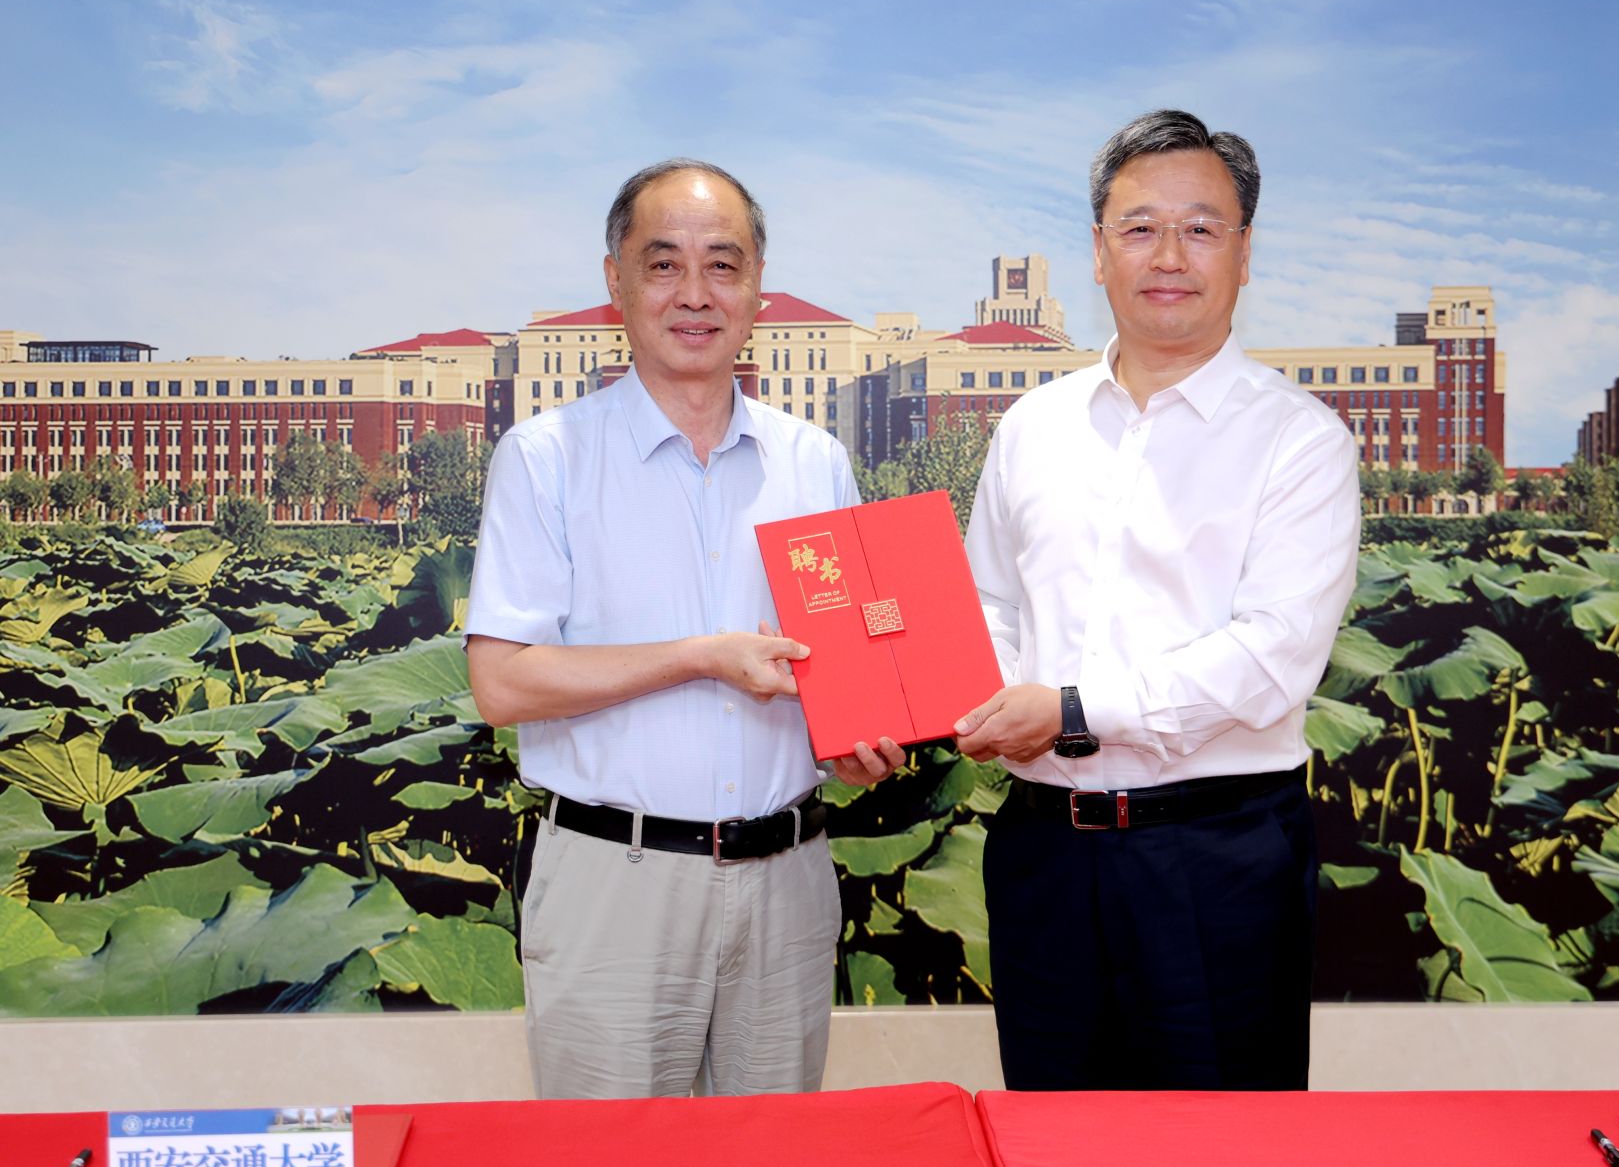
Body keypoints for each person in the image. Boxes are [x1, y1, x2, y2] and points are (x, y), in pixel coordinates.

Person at [466, 158, 904, 1099]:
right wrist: (702, 657)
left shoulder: (815, 462)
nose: (696, 294)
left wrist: (859, 743)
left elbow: (843, 675)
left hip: (786, 883)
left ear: (757, 288)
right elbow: (501, 683)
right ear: (617, 281)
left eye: (723, 265)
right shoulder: (546, 458)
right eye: (664, 264)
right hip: (614, 887)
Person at [956, 110, 1360, 1091]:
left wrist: (1072, 711)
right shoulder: (1033, 427)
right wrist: (963, 699)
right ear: (1098, 252)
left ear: (1244, 253)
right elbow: (989, 604)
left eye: (1200, 228)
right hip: (1044, 855)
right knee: (1055, 1142)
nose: (1168, 256)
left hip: (1216, 860)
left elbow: (1271, 656)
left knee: (1220, 1158)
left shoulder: (1300, 440)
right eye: (1139, 228)